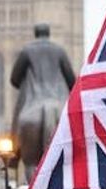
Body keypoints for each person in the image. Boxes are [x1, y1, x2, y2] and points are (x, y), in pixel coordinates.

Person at [9, 23, 76, 180]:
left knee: (31, 163)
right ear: (48, 33)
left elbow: (14, 79)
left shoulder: (26, 51)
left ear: (35, 34)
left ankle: (13, 155)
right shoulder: (60, 51)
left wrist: (26, 82)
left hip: (32, 108)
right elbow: (72, 81)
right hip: (58, 106)